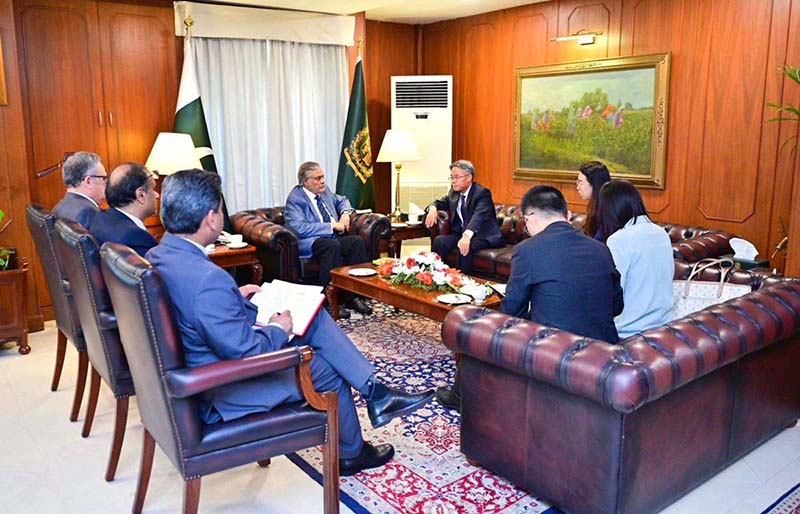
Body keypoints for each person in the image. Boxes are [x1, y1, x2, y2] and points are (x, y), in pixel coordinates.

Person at [146, 169, 434, 476]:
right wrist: (275, 329)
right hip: (222, 389)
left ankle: (378, 393)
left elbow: (199, 312)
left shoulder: (161, 254)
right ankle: (351, 453)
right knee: (324, 367)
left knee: (313, 317)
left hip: (205, 361)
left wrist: (235, 295)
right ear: (211, 218)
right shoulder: (207, 280)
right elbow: (246, 353)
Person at [437, 185, 623, 412]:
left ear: (529, 218)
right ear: (568, 216)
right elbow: (617, 305)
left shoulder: (528, 249)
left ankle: (461, 396)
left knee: (477, 329)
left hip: (556, 350)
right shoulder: (601, 249)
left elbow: (511, 312)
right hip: (605, 347)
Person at [284, 161, 372, 317]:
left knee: (356, 242)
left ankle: (354, 296)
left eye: (323, 176)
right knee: (330, 246)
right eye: (317, 178)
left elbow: (342, 200)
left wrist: (345, 213)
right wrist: (331, 226)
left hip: (332, 238)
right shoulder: (295, 199)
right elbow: (300, 228)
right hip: (311, 242)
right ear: (306, 182)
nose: (322, 181)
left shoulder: (324, 191)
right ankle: (329, 301)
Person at [597, 179, 673, 339]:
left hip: (628, 330)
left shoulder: (619, 239)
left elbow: (614, 294)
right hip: (662, 326)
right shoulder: (661, 233)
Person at [424, 160, 504, 273]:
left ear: (469, 177)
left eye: (457, 177)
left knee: (466, 245)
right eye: (451, 177)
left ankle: (460, 281)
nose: (453, 181)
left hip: (484, 236)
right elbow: (439, 202)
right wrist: (432, 209)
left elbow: (479, 216)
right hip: (462, 234)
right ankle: (436, 275)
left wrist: (467, 236)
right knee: (440, 240)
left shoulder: (482, 194)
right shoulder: (454, 193)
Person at [89, 162, 158, 257]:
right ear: (141, 195)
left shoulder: (101, 218)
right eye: (153, 189)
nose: (157, 195)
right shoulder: (137, 238)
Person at [52, 151, 107, 228]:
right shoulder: (90, 214)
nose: (107, 182)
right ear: (88, 181)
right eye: (104, 178)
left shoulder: (59, 207)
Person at [575, 161, 612, 240]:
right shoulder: (596, 206)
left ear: (594, 184)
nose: (577, 187)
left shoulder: (605, 212)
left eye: (580, 183)